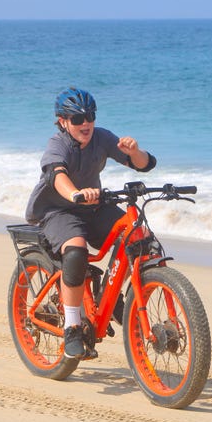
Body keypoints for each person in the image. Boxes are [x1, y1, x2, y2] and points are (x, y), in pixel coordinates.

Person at [25, 87, 156, 358]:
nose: (85, 123)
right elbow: (56, 175)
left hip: (93, 207)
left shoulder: (102, 137)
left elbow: (144, 165)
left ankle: (119, 298)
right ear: (63, 121)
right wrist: (75, 193)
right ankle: (73, 325)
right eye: (77, 119)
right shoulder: (57, 144)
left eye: (90, 116)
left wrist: (134, 152)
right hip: (58, 210)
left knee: (140, 238)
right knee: (76, 251)